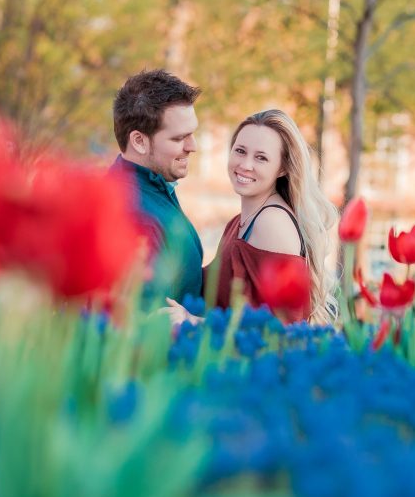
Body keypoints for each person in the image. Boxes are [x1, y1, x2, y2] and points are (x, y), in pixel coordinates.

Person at [169, 109, 337, 324]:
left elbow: (281, 332)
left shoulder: (272, 223)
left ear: (282, 168)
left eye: (261, 157)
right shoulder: (240, 222)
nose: (245, 165)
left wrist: (192, 321)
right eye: (240, 151)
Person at [109, 69, 204, 304]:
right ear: (139, 141)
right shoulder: (136, 216)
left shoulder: (151, 185)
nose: (192, 146)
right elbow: (143, 321)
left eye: (192, 134)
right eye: (179, 138)